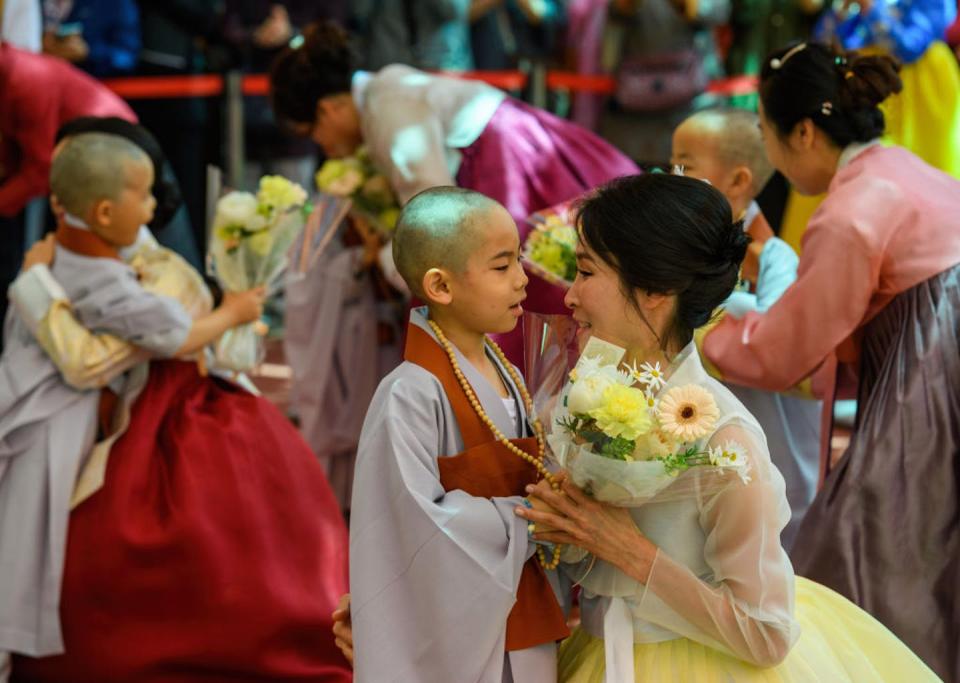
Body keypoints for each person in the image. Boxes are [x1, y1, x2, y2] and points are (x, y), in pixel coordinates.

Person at [516, 172, 938, 682]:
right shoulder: (589, 386)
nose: (569, 297)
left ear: (655, 289)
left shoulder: (724, 437)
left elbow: (766, 634)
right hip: (601, 653)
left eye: (586, 273)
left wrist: (628, 550)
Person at [0, 133, 351, 682]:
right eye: (141, 198)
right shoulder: (87, 277)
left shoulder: (75, 256)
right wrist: (234, 311)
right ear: (103, 208)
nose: (153, 209)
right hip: (96, 406)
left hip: (143, 392)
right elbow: (114, 353)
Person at [700, 42, 960, 680]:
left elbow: (788, 346)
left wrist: (701, 336)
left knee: (880, 540)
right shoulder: (904, 168)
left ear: (805, 132)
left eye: (768, 134)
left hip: (931, 374)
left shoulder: (848, 212)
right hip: (932, 356)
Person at [269, 20, 639, 370]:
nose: (323, 146)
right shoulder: (386, 91)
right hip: (512, 153)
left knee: (509, 291)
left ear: (327, 109)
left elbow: (433, 214)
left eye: (312, 131)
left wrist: (386, 257)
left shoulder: (387, 104)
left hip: (505, 167)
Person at [349, 187, 570, 682]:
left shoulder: (508, 370)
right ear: (440, 286)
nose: (522, 280)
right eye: (502, 265)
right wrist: (533, 520)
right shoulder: (408, 392)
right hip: (455, 629)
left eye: (520, 261)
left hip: (523, 603)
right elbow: (415, 525)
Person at [670, 108, 820, 549]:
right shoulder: (678, 249)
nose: (670, 176)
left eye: (684, 166)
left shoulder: (776, 260)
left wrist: (703, 312)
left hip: (771, 434)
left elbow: (777, 339)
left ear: (738, 181)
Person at [0, 43, 135, 336]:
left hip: (109, 162)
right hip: (82, 167)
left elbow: (38, 169)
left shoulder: (26, 79)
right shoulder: (16, 74)